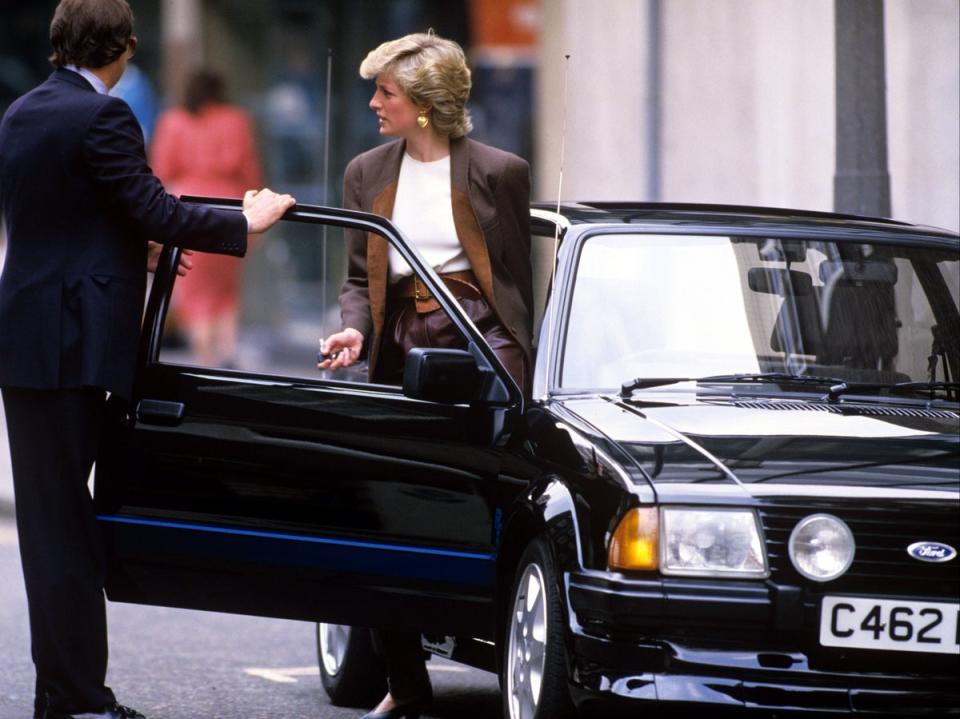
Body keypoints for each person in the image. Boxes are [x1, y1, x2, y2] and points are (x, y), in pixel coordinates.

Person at [0, 2, 295, 718]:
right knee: (67, 531)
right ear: (126, 48)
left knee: (51, 528)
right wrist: (242, 221)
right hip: (73, 346)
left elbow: (67, 217)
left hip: (29, 341)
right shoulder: (105, 117)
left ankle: (63, 695)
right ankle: (77, 700)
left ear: (56, 43)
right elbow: (153, 208)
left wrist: (141, 248)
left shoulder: (22, 112)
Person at [318, 31, 532, 719]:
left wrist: (524, 367)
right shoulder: (365, 172)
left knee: (489, 506)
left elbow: (518, 287)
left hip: (482, 346)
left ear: (426, 104)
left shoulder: (501, 171)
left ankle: (510, 655)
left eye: (386, 91)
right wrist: (355, 326)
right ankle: (406, 681)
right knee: (384, 514)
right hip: (400, 348)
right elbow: (359, 278)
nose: (374, 101)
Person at [151, 69, 263, 367]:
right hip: (230, 205)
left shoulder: (173, 121)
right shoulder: (236, 120)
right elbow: (250, 171)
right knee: (226, 288)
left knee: (195, 290)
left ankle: (205, 359)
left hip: (189, 206)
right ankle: (227, 349)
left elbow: (161, 170)